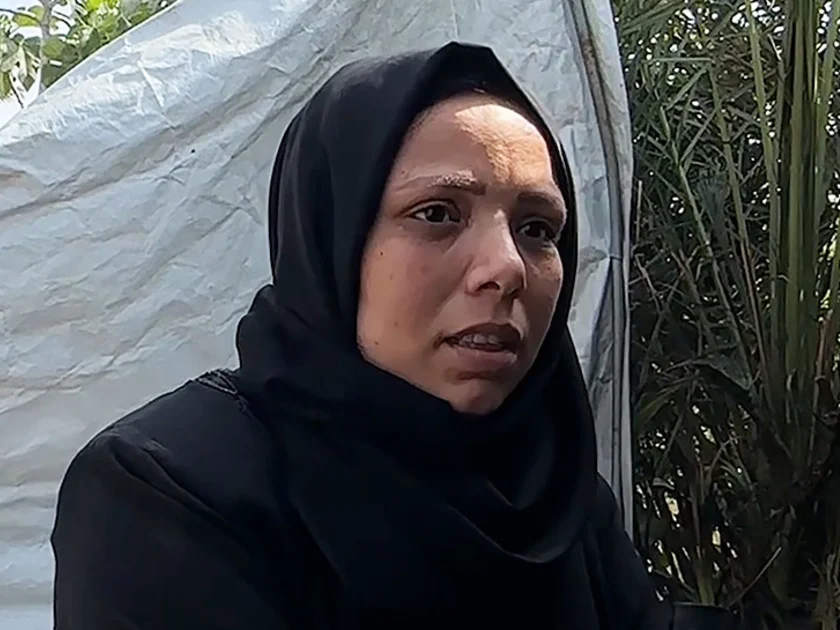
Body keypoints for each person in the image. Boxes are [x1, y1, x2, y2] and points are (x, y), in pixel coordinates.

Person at [50, 42, 674, 629]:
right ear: (331, 238)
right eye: (437, 213)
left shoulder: (550, 493)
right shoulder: (168, 489)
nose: (507, 268)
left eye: (537, 229)